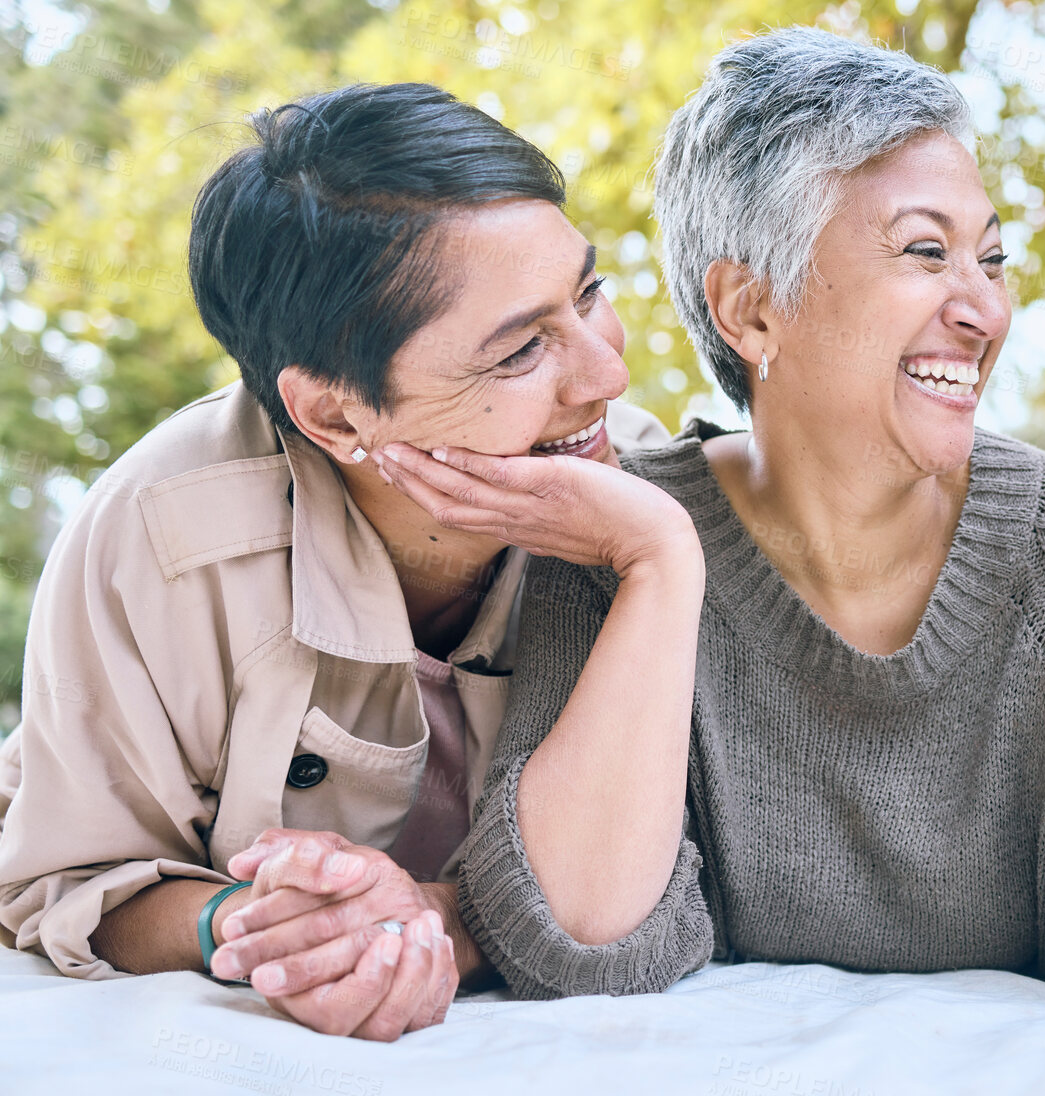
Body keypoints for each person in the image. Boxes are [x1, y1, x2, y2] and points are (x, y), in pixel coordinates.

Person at [407, 28, 1045, 1008]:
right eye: (921, 253)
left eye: (987, 260)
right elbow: (581, 944)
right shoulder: (614, 545)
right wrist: (658, 560)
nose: (982, 308)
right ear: (750, 309)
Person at [0, 82, 674, 1040]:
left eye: (589, 294)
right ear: (334, 413)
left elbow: (664, 880)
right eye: (522, 349)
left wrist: (445, 925)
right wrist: (254, 925)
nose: (608, 374)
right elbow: (65, 878)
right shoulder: (158, 537)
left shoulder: (651, 496)